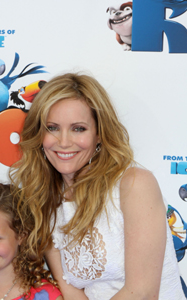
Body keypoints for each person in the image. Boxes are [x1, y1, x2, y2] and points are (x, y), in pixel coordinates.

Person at [10, 73, 185, 299]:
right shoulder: (46, 200)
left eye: (78, 129)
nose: (63, 142)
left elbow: (142, 293)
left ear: (99, 134)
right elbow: (70, 290)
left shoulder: (133, 185)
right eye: (52, 127)